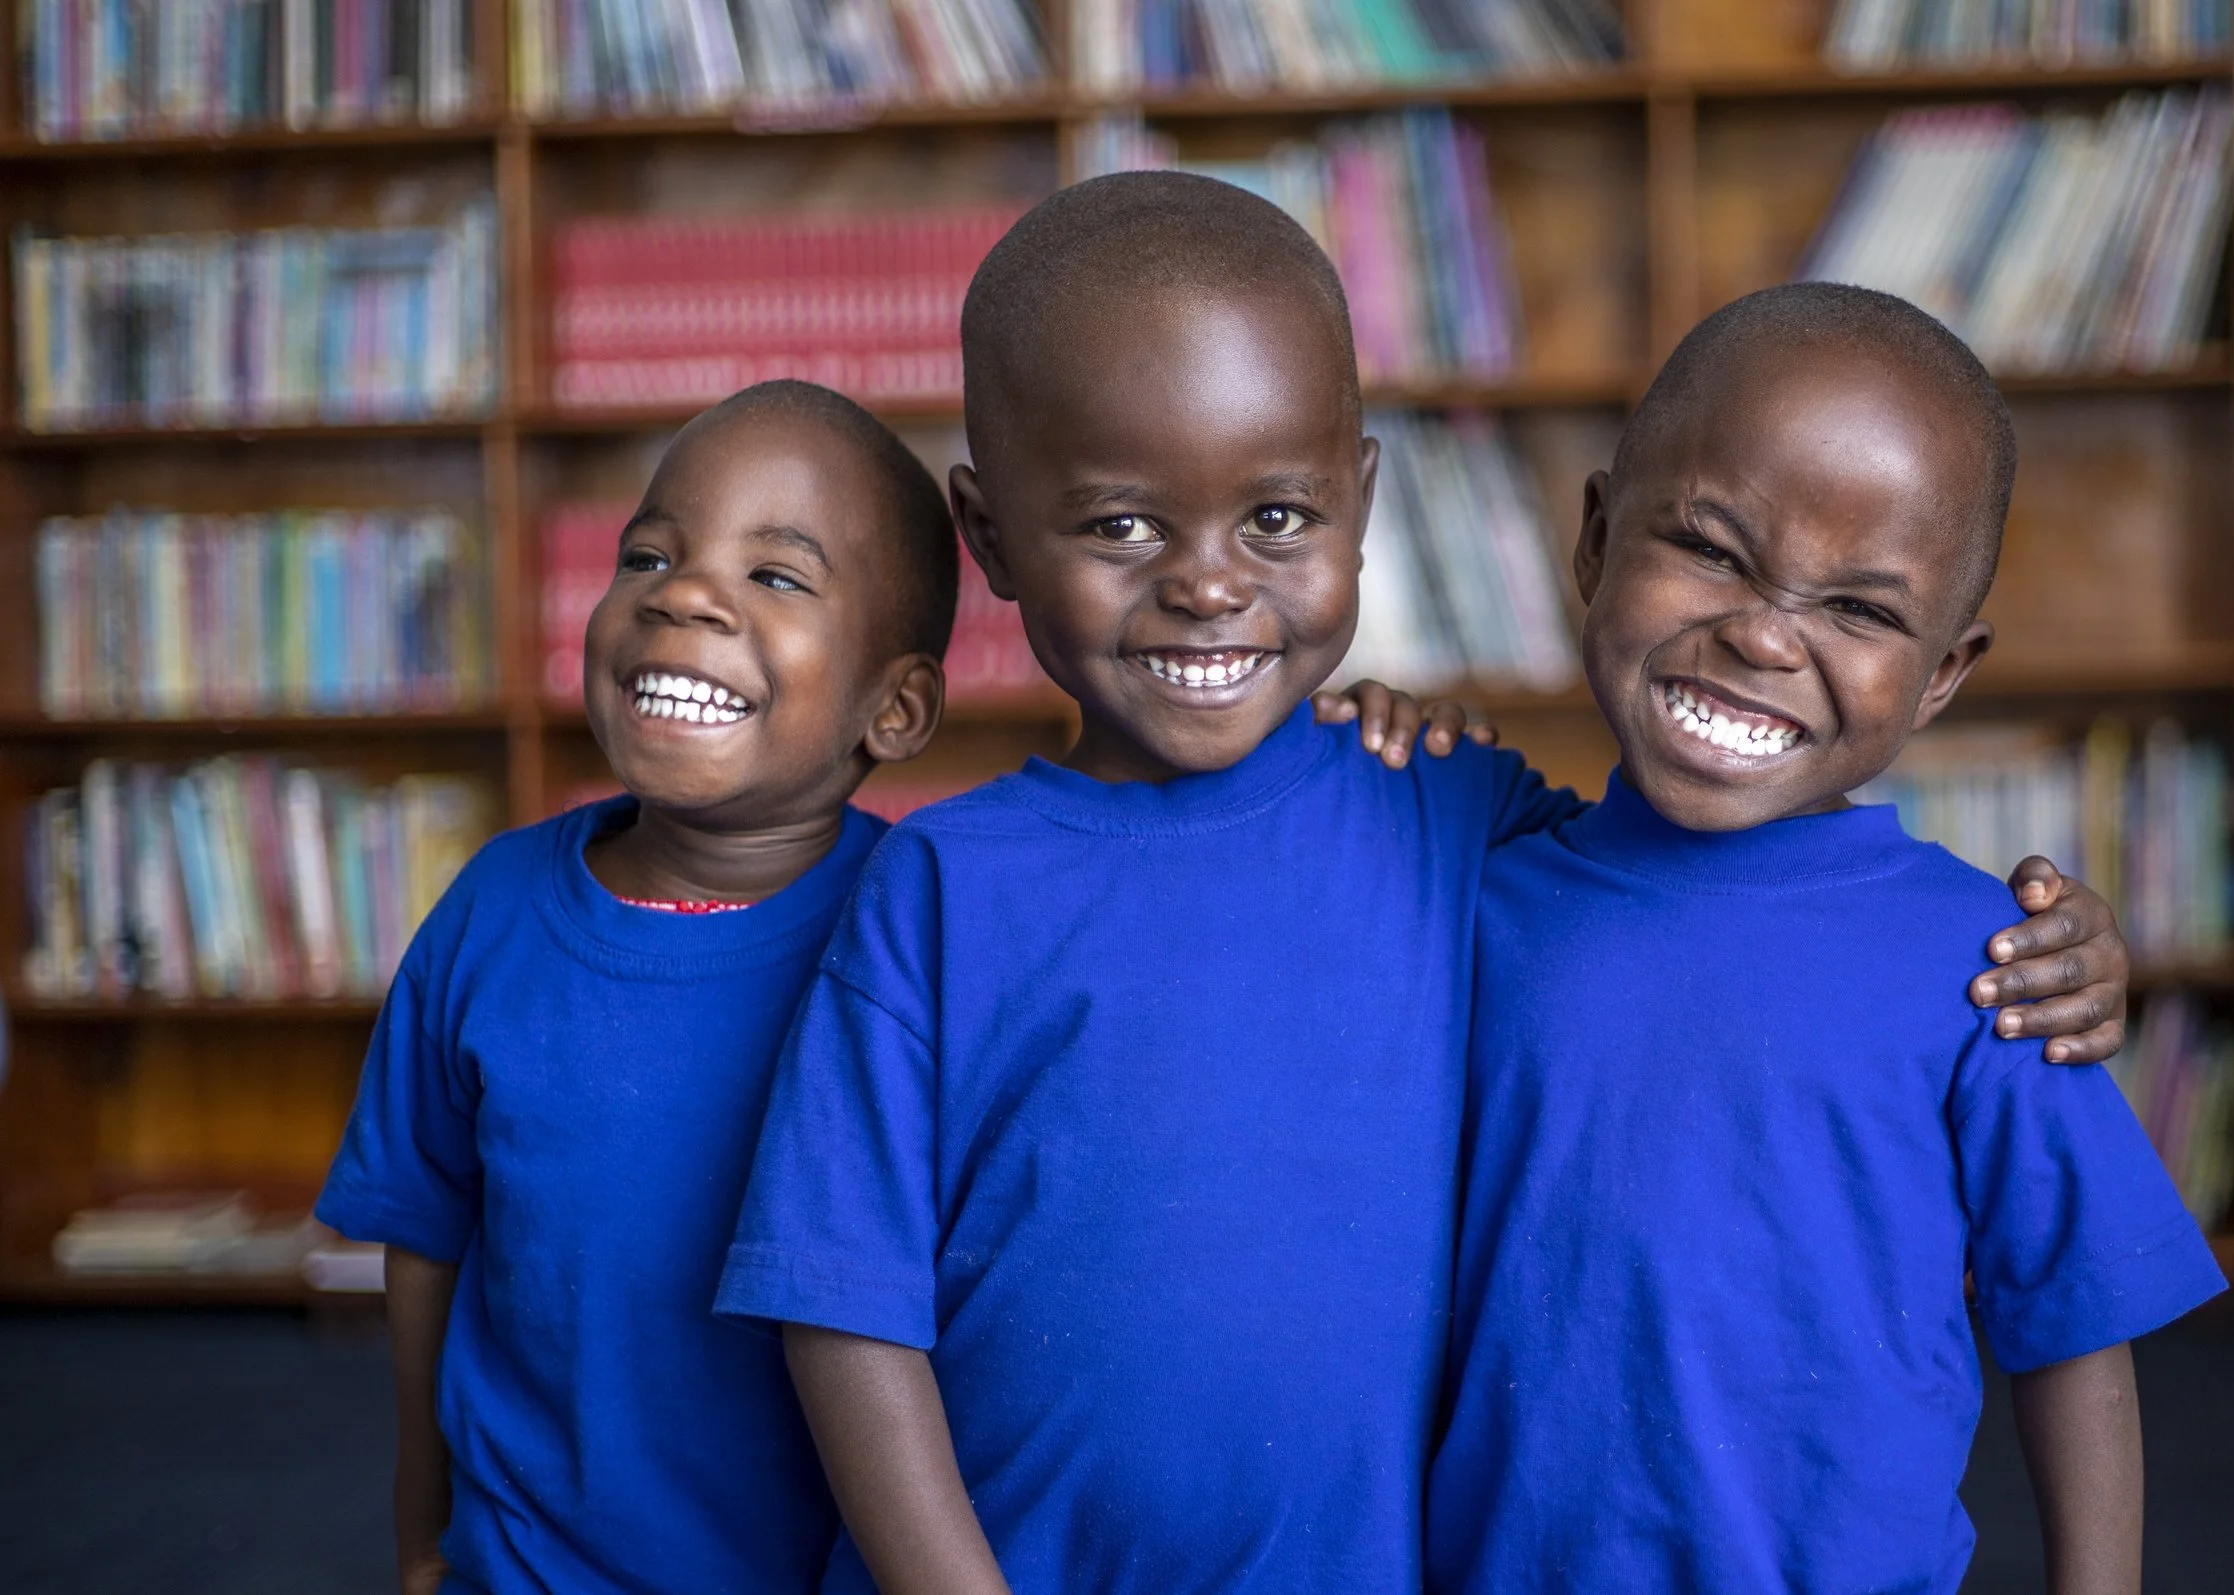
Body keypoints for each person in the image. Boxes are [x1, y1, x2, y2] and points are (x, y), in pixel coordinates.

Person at [715, 177, 2134, 1595]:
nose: (1210, 586)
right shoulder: (947, 887)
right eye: (1125, 528)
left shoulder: (1451, 815)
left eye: (1275, 516)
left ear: (1359, 505)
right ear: (991, 537)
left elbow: (1719, 917)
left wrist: (2074, 949)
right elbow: (839, 1301)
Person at [314, 376, 1472, 1595]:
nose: (684, 593)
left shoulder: (928, 914)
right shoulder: (489, 916)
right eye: (647, 555)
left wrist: (1371, 732)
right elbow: (425, 1252)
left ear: (899, 705)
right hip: (534, 1566)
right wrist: (421, 1526)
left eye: (775, 576)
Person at [1425, 283, 2227, 1595]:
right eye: (1711, 547)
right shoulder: (1463, 894)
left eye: (1861, 610)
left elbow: (2073, 1325)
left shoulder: (1997, 966)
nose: (1762, 630)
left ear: (1944, 674)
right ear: (1593, 539)